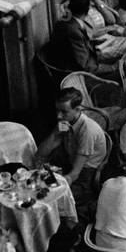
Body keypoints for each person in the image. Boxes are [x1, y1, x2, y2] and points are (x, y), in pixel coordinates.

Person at [37, 87, 108, 216]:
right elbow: (40, 153)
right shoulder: (66, 121)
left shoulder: (87, 131)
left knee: (49, 201)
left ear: (77, 110)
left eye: (63, 111)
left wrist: (53, 190)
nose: (58, 116)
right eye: (57, 110)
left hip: (85, 175)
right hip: (69, 161)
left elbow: (74, 174)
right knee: (38, 184)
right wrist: (54, 134)